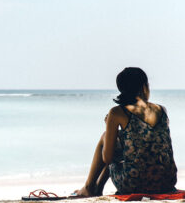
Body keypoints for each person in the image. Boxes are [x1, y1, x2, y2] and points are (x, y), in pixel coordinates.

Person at [75, 67, 177, 196]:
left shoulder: (117, 112)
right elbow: (147, 140)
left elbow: (107, 158)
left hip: (134, 185)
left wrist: (109, 126)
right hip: (167, 183)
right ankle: (96, 188)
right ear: (144, 87)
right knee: (120, 142)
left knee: (106, 138)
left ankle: (90, 187)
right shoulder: (162, 110)